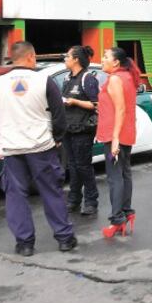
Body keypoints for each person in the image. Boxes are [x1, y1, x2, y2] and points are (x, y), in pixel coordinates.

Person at [0, 41, 76, 256]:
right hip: (42, 147)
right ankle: (64, 238)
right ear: (29, 57)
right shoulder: (43, 80)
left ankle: (25, 244)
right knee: (51, 191)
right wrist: (57, 138)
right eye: (34, 57)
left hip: (11, 149)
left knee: (16, 195)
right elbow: (59, 114)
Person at [98, 47, 140, 238]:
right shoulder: (127, 77)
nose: (102, 59)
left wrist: (115, 139)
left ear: (115, 62)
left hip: (116, 134)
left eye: (106, 57)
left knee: (115, 178)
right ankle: (126, 212)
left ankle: (117, 219)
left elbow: (120, 109)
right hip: (125, 132)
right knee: (124, 174)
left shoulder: (115, 79)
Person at [61, 45, 100, 217]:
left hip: (83, 129)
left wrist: (74, 102)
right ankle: (74, 199)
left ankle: (91, 201)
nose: (65, 59)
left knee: (84, 166)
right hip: (68, 129)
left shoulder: (88, 78)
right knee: (72, 166)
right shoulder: (67, 79)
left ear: (76, 59)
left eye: (67, 56)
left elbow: (95, 105)